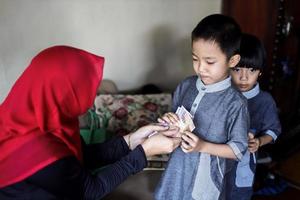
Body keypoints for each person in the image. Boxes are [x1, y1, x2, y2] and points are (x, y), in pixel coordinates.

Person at [0, 46, 181, 199]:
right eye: (86, 88)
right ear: (65, 93)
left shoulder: (31, 115)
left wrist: (131, 141)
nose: (92, 94)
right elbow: (90, 190)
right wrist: (144, 152)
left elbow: (80, 158)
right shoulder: (40, 152)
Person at [154, 14, 249, 200]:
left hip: (204, 181)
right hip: (176, 171)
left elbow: (238, 150)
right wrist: (169, 122)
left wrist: (202, 146)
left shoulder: (235, 103)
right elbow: (175, 120)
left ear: (232, 61)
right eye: (195, 59)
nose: (200, 68)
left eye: (209, 62)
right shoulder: (186, 85)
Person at [230, 33, 282, 199]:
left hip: (243, 166)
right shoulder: (222, 94)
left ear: (260, 72)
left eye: (251, 70)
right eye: (237, 69)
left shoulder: (265, 101)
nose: (244, 77)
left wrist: (259, 141)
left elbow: (273, 130)